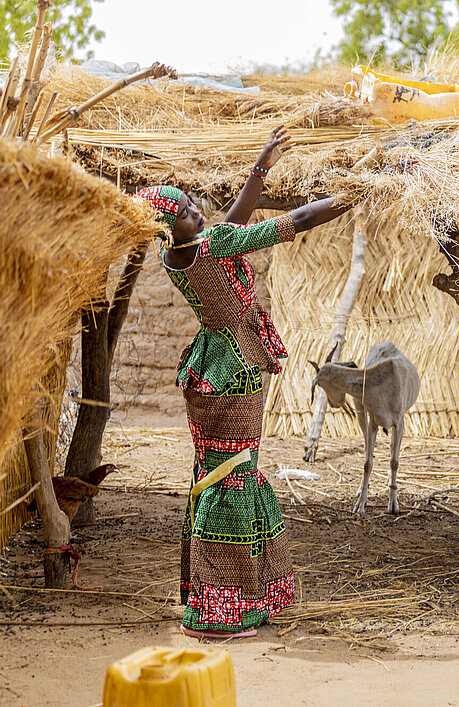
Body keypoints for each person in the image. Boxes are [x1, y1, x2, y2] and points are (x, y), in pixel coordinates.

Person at [137, 126, 351, 639]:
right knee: (232, 476)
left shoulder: (180, 254)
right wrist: (353, 196)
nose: (197, 212)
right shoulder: (207, 247)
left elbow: (228, 227)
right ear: (172, 228)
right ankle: (219, 612)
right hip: (233, 371)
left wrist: (261, 167)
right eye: (187, 211)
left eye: (192, 203)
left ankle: (241, 597)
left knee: (220, 473)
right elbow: (295, 220)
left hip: (212, 369)